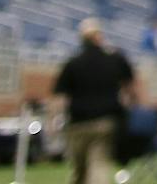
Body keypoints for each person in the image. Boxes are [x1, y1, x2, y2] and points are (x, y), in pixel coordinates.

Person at [54, 19, 135, 184]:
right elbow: (129, 86)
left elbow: (60, 96)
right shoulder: (114, 59)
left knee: (78, 170)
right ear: (99, 37)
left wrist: (55, 121)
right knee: (98, 165)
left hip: (77, 123)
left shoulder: (73, 63)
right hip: (105, 121)